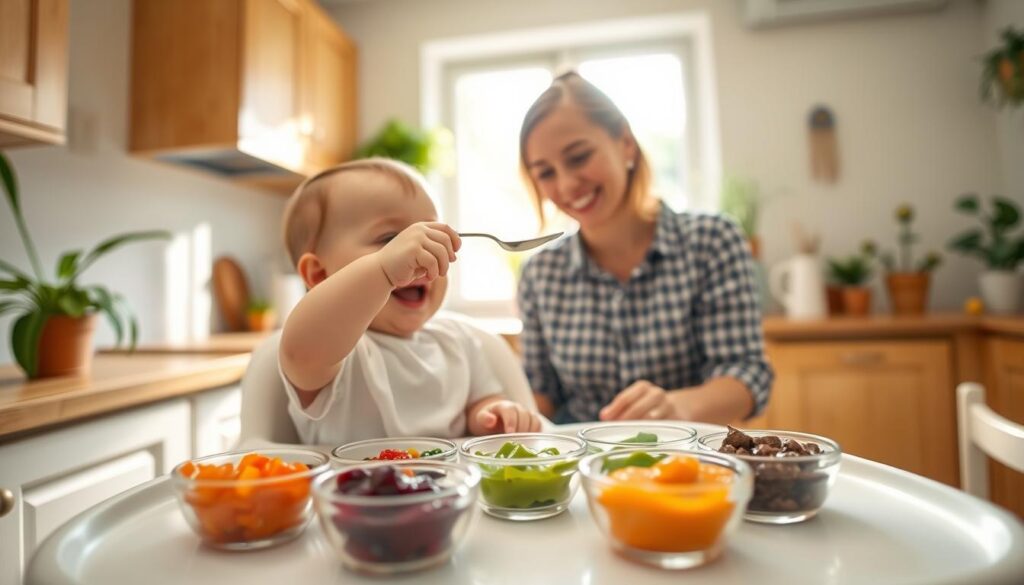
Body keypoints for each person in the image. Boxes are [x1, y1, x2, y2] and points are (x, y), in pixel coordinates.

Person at [517, 72, 773, 425]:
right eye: (545, 173)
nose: (566, 185)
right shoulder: (540, 274)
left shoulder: (712, 241)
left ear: (625, 143)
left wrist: (676, 407)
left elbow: (747, 377)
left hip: (689, 467)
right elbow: (541, 394)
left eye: (578, 157)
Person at [279, 158, 541, 445]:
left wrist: (493, 416)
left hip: (450, 487)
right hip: (352, 489)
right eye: (391, 238)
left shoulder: (460, 342)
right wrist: (383, 269)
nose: (416, 253)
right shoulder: (335, 353)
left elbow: (480, 405)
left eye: (431, 236)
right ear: (319, 274)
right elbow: (302, 352)